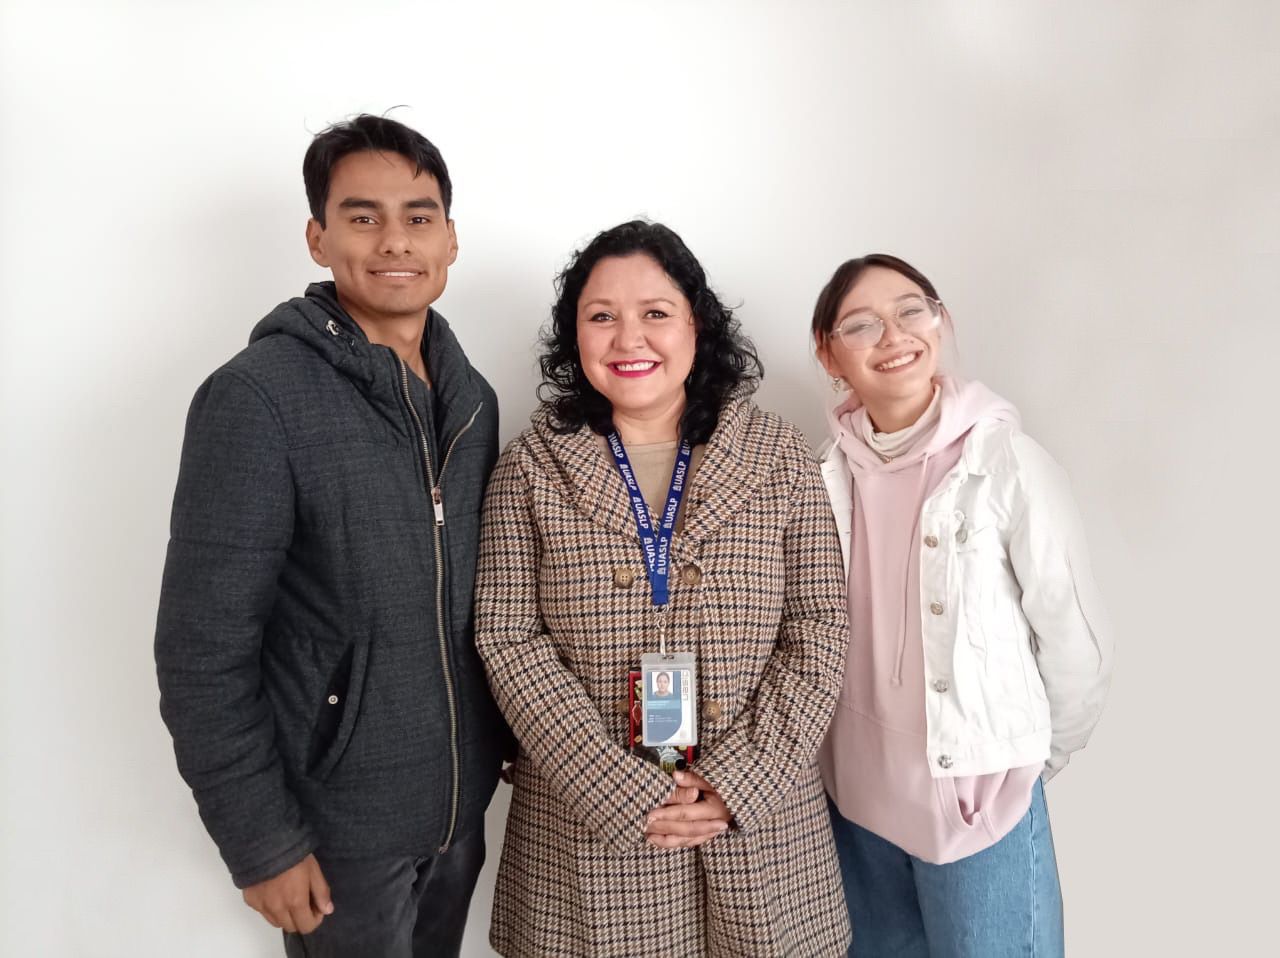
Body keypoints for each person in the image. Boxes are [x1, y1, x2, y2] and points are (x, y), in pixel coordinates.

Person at [154, 114, 509, 958]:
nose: (395, 240)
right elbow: (201, 650)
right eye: (362, 217)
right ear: (318, 238)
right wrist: (261, 843)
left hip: (460, 813)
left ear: (451, 239)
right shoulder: (257, 398)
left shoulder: (472, 400)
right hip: (338, 831)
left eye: (418, 216)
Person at [474, 220, 851, 956]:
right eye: (601, 316)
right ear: (574, 334)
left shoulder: (776, 455)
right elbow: (508, 639)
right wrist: (616, 786)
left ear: (696, 325)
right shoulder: (530, 466)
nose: (629, 338)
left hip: (759, 830)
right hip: (584, 839)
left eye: (655, 312)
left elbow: (819, 629)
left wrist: (739, 782)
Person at [811, 254, 1113, 956]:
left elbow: (1075, 642)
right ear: (828, 353)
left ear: (940, 322)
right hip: (858, 812)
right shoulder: (822, 474)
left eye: (910, 311)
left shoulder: (1007, 463)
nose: (893, 336)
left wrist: (1020, 763)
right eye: (862, 324)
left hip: (979, 812)